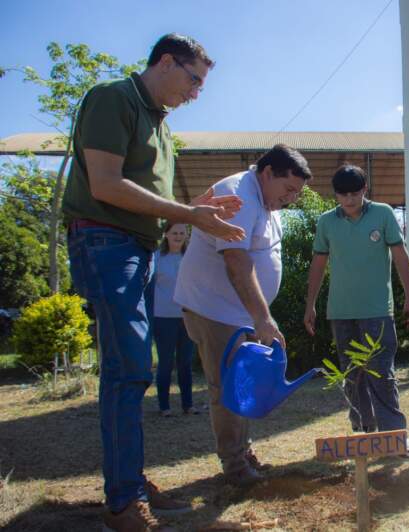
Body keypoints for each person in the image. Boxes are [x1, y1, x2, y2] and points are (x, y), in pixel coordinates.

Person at [62, 33, 245, 531]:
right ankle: (123, 501)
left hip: (137, 247)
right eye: (194, 80)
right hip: (106, 242)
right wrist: (188, 214)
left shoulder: (160, 125)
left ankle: (131, 484)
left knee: (133, 368)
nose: (196, 93)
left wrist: (196, 207)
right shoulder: (113, 99)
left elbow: (153, 203)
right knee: (129, 369)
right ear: (166, 62)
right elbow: (105, 184)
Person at [175, 144, 312, 487]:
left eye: (296, 193)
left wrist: (258, 315)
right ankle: (234, 465)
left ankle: (242, 453)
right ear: (267, 173)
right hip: (215, 309)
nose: (291, 198)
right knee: (228, 386)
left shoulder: (265, 199)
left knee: (244, 382)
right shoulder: (238, 196)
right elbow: (236, 260)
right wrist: (263, 318)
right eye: (288, 189)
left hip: (239, 312)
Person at [304, 164, 409, 458]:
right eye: (343, 195)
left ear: (365, 189)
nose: (349, 199)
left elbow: (400, 255)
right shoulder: (326, 222)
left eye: (354, 193)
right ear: (335, 194)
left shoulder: (383, 213)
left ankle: (395, 437)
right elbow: (318, 263)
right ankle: (363, 435)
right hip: (340, 311)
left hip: (378, 310)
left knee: (381, 374)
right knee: (352, 375)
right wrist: (310, 303)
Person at [153, 222, 198, 417]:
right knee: (165, 362)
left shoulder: (191, 257)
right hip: (163, 317)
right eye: (174, 233)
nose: (178, 236)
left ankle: (188, 404)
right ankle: (164, 406)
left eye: (182, 233)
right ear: (166, 235)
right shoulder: (157, 257)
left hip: (187, 316)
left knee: (185, 362)